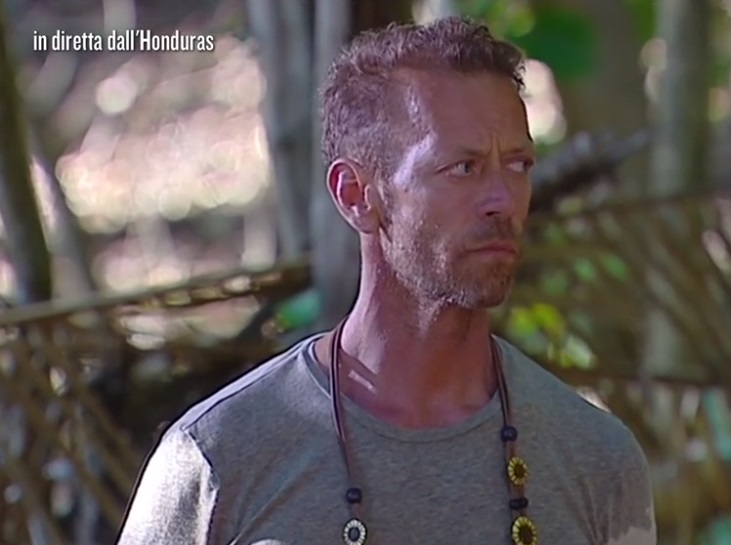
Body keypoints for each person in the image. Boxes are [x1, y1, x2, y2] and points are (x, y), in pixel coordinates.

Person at [117, 16, 657, 545]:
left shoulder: (595, 459)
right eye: (463, 168)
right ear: (356, 195)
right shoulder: (219, 457)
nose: (502, 201)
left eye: (518, 165)